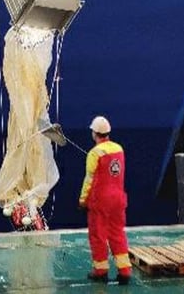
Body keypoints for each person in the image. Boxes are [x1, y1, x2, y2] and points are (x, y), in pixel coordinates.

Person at [79, 116, 132, 285]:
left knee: (98, 235)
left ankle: (100, 271)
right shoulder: (119, 149)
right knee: (117, 233)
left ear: (95, 133)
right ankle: (124, 271)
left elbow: (89, 179)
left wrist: (83, 200)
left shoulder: (94, 153)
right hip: (118, 199)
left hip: (100, 200)